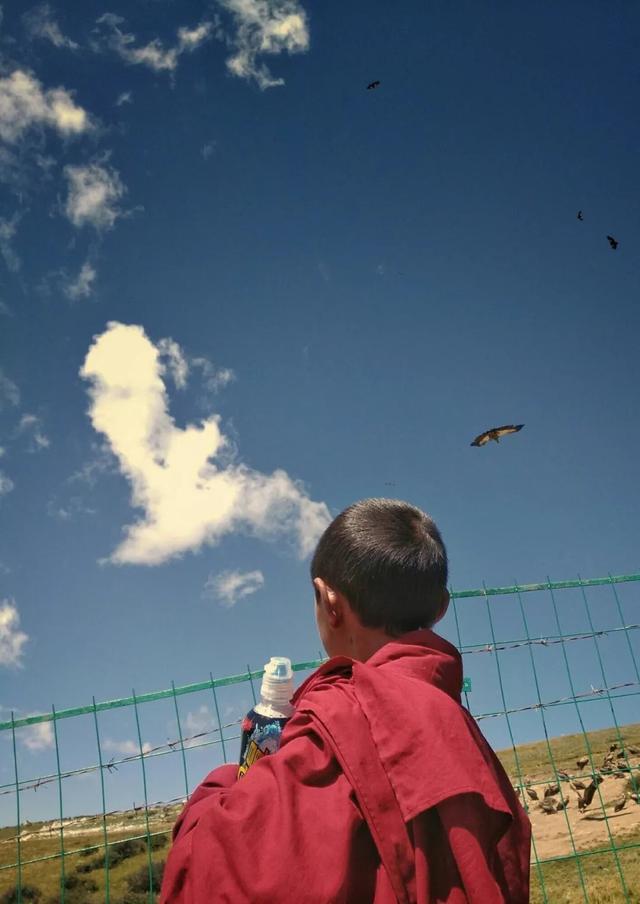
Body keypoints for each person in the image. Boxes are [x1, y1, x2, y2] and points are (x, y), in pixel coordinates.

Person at [160, 499, 531, 903]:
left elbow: (224, 871)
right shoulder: (458, 725)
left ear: (329, 602)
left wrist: (225, 782)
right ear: (441, 608)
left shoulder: (338, 716)